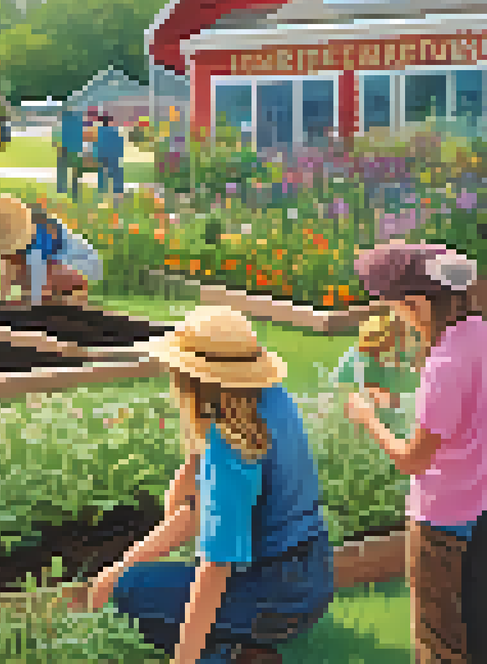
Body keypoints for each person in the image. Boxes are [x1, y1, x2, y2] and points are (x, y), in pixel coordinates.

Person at [89, 305, 334, 664]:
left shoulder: (232, 451)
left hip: (274, 598)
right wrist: (118, 566)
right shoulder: (272, 400)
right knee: (125, 578)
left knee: (129, 592)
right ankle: (245, 649)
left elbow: (215, 568)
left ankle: (229, 655)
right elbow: (188, 512)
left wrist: (183, 660)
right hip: (313, 578)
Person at [348, 243, 486, 662]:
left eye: (396, 309)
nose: (396, 318)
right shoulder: (480, 333)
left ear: (418, 304)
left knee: (438, 641)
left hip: (443, 523)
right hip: (481, 515)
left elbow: (413, 460)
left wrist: (368, 417)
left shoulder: (445, 363)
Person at [0, 195, 102, 307]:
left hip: (81, 265)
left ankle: (61, 301)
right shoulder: (12, 242)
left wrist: (34, 302)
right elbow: (7, 271)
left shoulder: (40, 236)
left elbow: (40, 273)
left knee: (37, 274)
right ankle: (47, 299)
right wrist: (3, 300)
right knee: (18, 270)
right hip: (51, 267)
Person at [328, 307, 418, 436]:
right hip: (359, 413)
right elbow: (352, 396)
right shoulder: (361, 360)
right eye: (400, 336)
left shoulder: (397, 355)